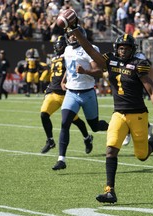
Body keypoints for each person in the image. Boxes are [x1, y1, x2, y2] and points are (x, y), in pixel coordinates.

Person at [69, 23, 153, 203]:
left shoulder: (139, 65)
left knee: (142, 156)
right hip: (118, 114)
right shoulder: (110, 61)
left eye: (126, 48)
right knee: (110, 150)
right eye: (121, 48)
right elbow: (90, 50)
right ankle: (110, 191)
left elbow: (152, 91)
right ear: (117, 49)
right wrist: (75, 30)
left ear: (132, 50)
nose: (123, 51)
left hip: (138, 114)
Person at [52, 26, 108, 171]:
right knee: (65, 123)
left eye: (75, 35)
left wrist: (85, 71)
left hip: (87, 93)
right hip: (71, 93)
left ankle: (119, 128)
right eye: (70, 35)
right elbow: (69, 67)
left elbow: (100, 72)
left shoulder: (91, 48)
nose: (72, 37)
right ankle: (61, 159)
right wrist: (64, 80)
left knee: (95, 127)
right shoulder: (67, 49)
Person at [40, 35, 93, 155]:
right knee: (44, 114)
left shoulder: (69, 55)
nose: (58, 47)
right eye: (57, 45)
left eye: (59, 45)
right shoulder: (55, 58)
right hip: (53, 92)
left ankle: (87, 137)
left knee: (75, 121)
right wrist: (48, 88)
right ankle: (50, 140)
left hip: (66, 94)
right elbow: (54, 76)